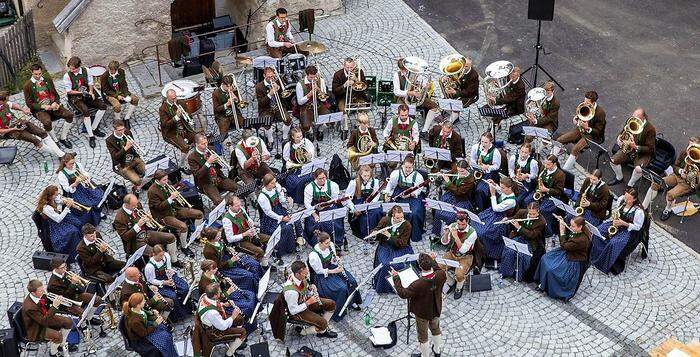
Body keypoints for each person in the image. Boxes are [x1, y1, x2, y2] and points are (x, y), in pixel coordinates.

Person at [390, 253, 446, 357]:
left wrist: (396, 277)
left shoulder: (417, 284)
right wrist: (433, 260)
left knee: (423, 336)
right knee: (436, 329)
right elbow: (437, 269)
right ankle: (437, 351)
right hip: (436, 308)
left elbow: (403, 293)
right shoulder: (442, 274)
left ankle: (425, 355)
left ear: (420, 266)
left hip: (422, 313)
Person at [270, 260, 338, 339]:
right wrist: (308, 302)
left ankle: (322, 328)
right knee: (323, 323)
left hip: (305, 301)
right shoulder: (291, 292)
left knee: (331, 304)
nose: (306, 275)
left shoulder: (300, 277)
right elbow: (293, 311)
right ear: (297, 274)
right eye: (305, 274)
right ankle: (303, 332)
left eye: (307, 272)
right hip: (298, 311)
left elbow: (305, 291)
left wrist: (311, 288)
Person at [147, 169, 203, 257]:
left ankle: (197, 236)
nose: (166, 181)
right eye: (164, 180)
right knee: (183, 227)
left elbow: (170, 191)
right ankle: (184, 247)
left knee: (199, 214)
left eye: (167, 179)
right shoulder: (152, 191)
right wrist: (170, 199)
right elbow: (158, 207)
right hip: (164, 215)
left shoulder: (167, 182)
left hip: (174, 208)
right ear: (157, 180)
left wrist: (176, 192)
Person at [642, 136, 700, 221]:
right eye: (689, 146)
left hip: (687, 184)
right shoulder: (684, 152)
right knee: (656, 182)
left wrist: (690, 176)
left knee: (670, 194)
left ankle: (668, 209)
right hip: (677, 176)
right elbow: (674, 166)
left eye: (694, 147)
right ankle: (644, 207)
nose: (690, 149)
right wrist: (680, 171)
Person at [308, 232, 362, 321]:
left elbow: (332, 260)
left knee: (351, 281)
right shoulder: (313, 256)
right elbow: (318, 271)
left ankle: (352, 301)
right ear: (320, 243)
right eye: (326, 243)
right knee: (342, 288)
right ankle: (340, 310)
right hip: (323, 275)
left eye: (329, 242)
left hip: (332, 268)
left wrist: (336, 259)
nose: (329, 244)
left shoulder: (331, 245)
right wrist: (335, 271)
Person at [535, 216, 591, 302]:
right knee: (544, 258)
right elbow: (569, 239)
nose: (570, 227)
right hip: (567, 251)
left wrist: (562, 231)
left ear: (580, 227)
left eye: (573, 226)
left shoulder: (581, 240)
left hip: (574, 259)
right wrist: (562, 221)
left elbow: (564, 245)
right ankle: (543, 282)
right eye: (570, 225)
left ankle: (550, 288)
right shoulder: (579, 230)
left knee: (551, 270)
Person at [592, 187, 645, 275]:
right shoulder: (621, 200)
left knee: (613, 243)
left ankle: (604, 264)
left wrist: (624, 223)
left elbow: (638, 227)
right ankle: (597, 254)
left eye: (629, 199)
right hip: (616, 223)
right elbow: (617, 212)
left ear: (634, 199)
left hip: (627, 230)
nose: (626, 200)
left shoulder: (638, 211)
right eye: (625, 197)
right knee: (599, 231)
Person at [113, 193, 178, 262]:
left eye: (136, 203)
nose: (136, 206)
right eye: (134, 205)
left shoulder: (137, 205)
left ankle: (173, 260)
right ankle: (161, 266)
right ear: (127, 205)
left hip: (146, 233)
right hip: (135, 241)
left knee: (171, 237)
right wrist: (138, 225)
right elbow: (125, 237)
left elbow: (142, 215)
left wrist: (148, 219)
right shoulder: (119, 218)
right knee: (157, 254)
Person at [23, 63, 74, 149]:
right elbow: (29, 104)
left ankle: (63, 138)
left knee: (70, 115)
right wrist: (42, 107)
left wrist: (56, 102)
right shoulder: (27, 85)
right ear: (31, 72)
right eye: (36, 74)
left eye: (40, 73)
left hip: (52, 106)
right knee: (47, 122)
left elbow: (56, 94)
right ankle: (55, 140)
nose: (38, 76)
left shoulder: (47, 80)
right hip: (40, 110)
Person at [0, 90, 65, 157]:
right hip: (8, 131)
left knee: (42, 133)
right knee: (35, 140)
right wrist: (14, 128)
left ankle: (61, 155)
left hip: (17, 123)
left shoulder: (5, 103)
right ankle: (62, 155)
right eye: (6, 100)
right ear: (1, 101)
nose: (7, 102)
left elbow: (12, 105)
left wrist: (23, 109)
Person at [199, 259, 256, 332]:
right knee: (246, 307)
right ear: (207, 271)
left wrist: (225, 281)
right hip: (220, 301)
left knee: (250, 295)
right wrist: (228, 293)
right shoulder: (205, 285)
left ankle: (252, 314)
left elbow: (219, 284)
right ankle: (247, 325)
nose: (216, 269)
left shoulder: (212, 274)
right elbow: (215, 298)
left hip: (222, 296)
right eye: (214, 268)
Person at [63, 56, 107, 148]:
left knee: (103, 106)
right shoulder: (67, 76)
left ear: (79, 66)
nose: (71, 70)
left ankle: (94, 128)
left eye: (73, 69)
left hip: (87, 92)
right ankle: (91, 136)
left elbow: (90, 82)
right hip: (75, 97)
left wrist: (91, 92)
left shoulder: (86, 70)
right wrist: (81, 93)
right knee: (86, 111)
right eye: (70, 68)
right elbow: (69, 91)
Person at [193, 284, 247, 357]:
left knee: (240, 319)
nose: (221, 293)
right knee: (243, 332)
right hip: (214, 332)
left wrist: (223, 304)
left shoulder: (204, 296)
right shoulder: (212, 313)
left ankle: (235, 342)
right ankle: (229, 354)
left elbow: (213, 304)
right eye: (219, 292)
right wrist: (233, 316)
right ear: (215, 295)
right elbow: (223, 327)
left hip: (216, 321)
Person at [22, 279, 73, 357]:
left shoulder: (39, 295)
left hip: (44, 317)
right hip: (37, 328)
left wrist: (56, 299)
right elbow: (44, 322)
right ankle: (53, 352)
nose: (43, 292)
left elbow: (46, 307)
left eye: (43, 289)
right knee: (58, 336)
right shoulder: (30, 307)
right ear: (33, 293)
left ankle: (61, 344)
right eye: (40, 291)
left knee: (68, 321)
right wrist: (54, 306)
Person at [557, 90, 606, 171]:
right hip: (580, 129)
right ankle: (552, 160)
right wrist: (576, 119)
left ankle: (565, 170)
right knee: (560, 140)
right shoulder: (584, 104)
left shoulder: (600, 113)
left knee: (575, 149)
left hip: (592, 136)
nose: (585, 103)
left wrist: (587, 128)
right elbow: (579, 115)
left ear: (593, 102)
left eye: (587, 102)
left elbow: (598, 131)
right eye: (584, 101)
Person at [201, 227, 261, 293]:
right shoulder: (208, 251)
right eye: (218, 236)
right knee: (248, 276)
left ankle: (258, 280)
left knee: (254, 264)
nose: (220, 236)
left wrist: (230, 250)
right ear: (212, 238)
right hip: (224, 268)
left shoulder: (218, 240)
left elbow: (224, 249)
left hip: (229, 258)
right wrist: (231, 261)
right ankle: (253, 290)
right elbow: (217, 266)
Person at [499, 202, 547, 282]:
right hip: (519, 237)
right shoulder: (522, 212)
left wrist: (519, 227)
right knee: (509, 250)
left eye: (534, 214)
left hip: (531, 241)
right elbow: (514, 218)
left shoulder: (541, 221)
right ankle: (506, 272)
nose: (531, 216)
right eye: (530, 213)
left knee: (522, 255)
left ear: (538, 211)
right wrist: (507, 220)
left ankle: (518, 275)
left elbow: (532, 235)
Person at [609, 108, 657, 187]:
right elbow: (623, 132)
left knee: (638, 169)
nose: (634, 119)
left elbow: (650, 149)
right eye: (633, 116)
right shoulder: (631, 121)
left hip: (643, 153)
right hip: (629, 148)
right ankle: (619, 177)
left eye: (637, 117)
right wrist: (619, 139)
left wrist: (635, 146)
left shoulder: (650, 129)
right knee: (612, 161)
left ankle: (630, 184)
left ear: (643, 118)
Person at [440, 213, 483, 299]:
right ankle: (450, 281)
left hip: (465, 256)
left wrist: (456, 237)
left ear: (467, 222)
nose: (460, 226)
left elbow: (463, 250)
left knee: (459, 274)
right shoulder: (453, 226)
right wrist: (446, 233)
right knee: (439, 267)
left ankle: (459, 287)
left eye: (463, 224)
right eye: (459, 224)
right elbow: (444, 242)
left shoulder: (472, 233)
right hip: (452, 253)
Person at [474, 178, 518, 263]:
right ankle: (477, 248)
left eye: (503, 188)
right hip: (493, 214)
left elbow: (496, 208)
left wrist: (493, 194)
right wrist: (494, 184)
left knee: (484, 233)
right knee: (476, 223)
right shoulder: (505, 191)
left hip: (500, 218)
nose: (501, 189)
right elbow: (500, 190)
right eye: (501, 187)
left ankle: (487, 253)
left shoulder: (511, 201)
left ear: (509, 188)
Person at [392, 58, 439, 137]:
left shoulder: (414, 72)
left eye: (406, 69)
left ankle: (424, 131)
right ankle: (404, 131)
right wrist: (410, 93)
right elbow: (396, 92)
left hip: (416, 98)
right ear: (400, 69)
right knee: (401, 112)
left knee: (434, 106)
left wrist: (426, 86)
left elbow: (423, 82)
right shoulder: (396, 75)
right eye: (403, 70)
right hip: (404, 99)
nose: (405, 72)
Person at [372, 205, 414, 294]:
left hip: (400, 248)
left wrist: (390, 236)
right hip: (385, 246)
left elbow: (402, 243)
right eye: (398, 218)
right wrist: (375, 233)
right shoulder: (385, 220)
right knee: (385, 265)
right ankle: (384, 287)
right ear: (392, 216)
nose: (401, 220)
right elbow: (377, 229)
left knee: (400, 265)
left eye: (402, 217)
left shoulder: (407, 225)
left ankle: (400, 285)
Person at [144, 245, 192, 322]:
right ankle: (178, 315)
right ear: (154, 254)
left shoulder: (166, 256)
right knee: (173, 296)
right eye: (160, 256)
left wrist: (170, 273)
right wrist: (164, 282)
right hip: (158, 282)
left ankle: (187, 307)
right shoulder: (149, 267)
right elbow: (151, 280)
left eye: (163, 254)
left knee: (184, 287)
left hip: (167, 276)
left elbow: (169, 267)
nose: (162, 257)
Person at [384, 155, 426, 242]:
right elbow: (390, 184)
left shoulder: (418, 176)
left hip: (413, 196)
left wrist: (410, 194)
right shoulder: (396, 173)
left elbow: (419, 190)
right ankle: (394, 231)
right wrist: (387, 194)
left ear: (413, 166)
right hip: (399, 192)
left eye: (410, 167)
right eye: (406, 167)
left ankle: (414, 234)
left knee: (415, 213)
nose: (407, 169)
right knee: (392, 209)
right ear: (403, 165)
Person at [36, 185, 83, 263]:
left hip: (59, 216)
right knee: (73, 231)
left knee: (78, 223)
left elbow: (58, 206)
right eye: (56, 195)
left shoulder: (53, 198)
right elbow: (58, 219)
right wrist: (67, 207)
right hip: (53, 225)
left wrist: (63, 202)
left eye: (57, 194)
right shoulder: (46, 208)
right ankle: (74, 254)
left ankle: (80, 245)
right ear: (50, 196)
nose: (57, 196)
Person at [257, 174, 300, 257]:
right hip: (271, 218)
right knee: (286, 228)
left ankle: (296, 243)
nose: (275, 184)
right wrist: (282, 218)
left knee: (295, 219)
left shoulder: (276, 186)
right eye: (272, 183)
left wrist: (287, 200)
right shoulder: (262, 197)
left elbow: (281, 200)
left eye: (275, 182)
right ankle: (281, 251)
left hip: (279, 210)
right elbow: (268, 212)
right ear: (266, 184)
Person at [122, 292, 178, 357]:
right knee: (165, 339)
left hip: (145, 327)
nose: (145, 301)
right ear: (138, 305)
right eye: (143, 301)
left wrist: (151, 312)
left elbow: (143, 313)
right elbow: (144, 333)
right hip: (141, 338)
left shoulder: (137, 309)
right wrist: (156, 323)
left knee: (165, 330)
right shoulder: (135, 321)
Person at [188, 134, 238, 205]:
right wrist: (208, 163)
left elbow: (219, 166)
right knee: (219, 202)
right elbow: (197, 175)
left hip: (218, 177)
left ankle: (233, 202)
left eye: (206, 143)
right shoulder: (192, 157)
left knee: (238, 188)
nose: (206, 145)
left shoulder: (211, 148)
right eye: (203, 144)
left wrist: (218, 162)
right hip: (207, 182)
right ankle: (230, 204)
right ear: (197, 144)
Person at [55, 152, 104, 226]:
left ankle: (98, 211)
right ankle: (94, 217)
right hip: (74, 192)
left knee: (98, 195)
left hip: (84, 185)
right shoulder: (62, 174)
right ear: (65, 163)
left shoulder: (77, 165)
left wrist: (85, 176)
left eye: (73, 163)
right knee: (87, 203)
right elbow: (66, 189)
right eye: (70, 164)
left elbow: (85, 173)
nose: (72, 165)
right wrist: (76, 183)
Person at [223, 194, 274, 263]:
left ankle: (265, 257)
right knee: (259, 251)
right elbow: (230, 239)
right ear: (230, 206)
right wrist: (244, 234)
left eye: (239, 205)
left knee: (271, 239)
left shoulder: (241, 208)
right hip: (240, 242)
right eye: (236, 206)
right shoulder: (226, 220)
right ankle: (259, 263)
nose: (239, 207)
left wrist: (251, 224)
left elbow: (248, 219)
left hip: (249, 234)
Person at [431, 160, 475, 237]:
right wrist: (442, 174)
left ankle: (451, 235)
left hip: (462, 199)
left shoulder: (470, 180)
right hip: (451, 195)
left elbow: (458, 192)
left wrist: (448, 182)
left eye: (462, 171)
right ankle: (439, 233)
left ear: (467, 169)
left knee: (451, 216)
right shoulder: (456, 169)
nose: (460, 173)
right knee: (438, 211)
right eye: (458, 171)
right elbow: (451, 172)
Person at [303, 168, 347, 246]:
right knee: (316, 223)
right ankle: (318, 243)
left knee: (333, 222)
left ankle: (336, 242)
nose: (322, 180)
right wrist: (315, 214)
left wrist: (327, 204)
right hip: (315, 209)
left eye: (324, 178)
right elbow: (307, 204)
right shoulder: (309, 187)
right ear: (315, 178)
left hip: (329, 207)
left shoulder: (333, 185)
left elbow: (334, 199)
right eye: (320, 178)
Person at [524, 155, 566, 230]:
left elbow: (559, 191)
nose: (546, 166)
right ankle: (531, 220)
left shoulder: (560, 175)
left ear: (554, 164)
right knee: (527, 200)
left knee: (543, 210)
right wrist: (538, 190)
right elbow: (539, 181)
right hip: (540, 193)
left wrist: (547, 190)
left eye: (548, 164)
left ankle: (546, 228)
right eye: (545, 163)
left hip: (551, 196)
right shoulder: (544, 168)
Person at [437, 55, 479, 126]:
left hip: (469, 96)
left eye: (466, 66)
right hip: (459, 90)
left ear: (470, 65)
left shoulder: (474, 75)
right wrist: (446, 77)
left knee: (455, 107)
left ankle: (447, 124)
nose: (464, 68)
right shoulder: (460, 68)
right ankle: (453, 116)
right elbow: (452, 75)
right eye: (463, 66)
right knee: (443, 102)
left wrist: (455, 92)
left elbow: (470, 92)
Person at [160, 88, 196, 166]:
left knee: (197, 138)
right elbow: (165, 125)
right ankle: (182, 165)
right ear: (167, 98)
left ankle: (197, 157)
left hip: (184, 128)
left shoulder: (181, 102)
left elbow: (190, 115)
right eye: (173, 98)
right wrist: (176, 117)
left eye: (175, 97)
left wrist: (185, 114)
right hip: (171, 132)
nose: (175, 99)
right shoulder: (163, 109)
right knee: (185, 147)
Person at [346, 165, 383, 240]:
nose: (366, 177)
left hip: (371, 202)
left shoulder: (374, 181)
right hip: (358, 202)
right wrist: (354, 209)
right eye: (364, 176)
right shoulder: (354, 183)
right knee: (364, 218)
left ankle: (376, 233)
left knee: (378, 212)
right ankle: (367, 235)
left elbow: (377, 194)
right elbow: (348, 198)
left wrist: (372, 202)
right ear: (360, 174)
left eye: (368, 175)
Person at [106, 120, 146, 187]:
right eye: (119, 130)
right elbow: (115, 157)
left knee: (143, 170)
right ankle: (136, 187)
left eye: (123, 129)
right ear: (114, 130)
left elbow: (133, 146)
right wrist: (125, 148)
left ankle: (141, 178)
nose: (122, 132)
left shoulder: (127, 132)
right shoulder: (109, 140)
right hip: (123, 164)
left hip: (133, 158)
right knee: (137, 181)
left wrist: (136, 147)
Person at [331, 57, 368, 129]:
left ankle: (360, 125)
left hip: (357, 95)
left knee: (362, 107)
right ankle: (345, 127)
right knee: (343, 109)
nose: (349, 69)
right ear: (344, 66)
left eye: (351, 67)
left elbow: (365, 86)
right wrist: (344, 85)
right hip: (343, 97)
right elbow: (334, 91)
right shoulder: (337, 74)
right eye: (347, 67)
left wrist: (356, 80)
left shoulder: (359, 72)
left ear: (354, 65)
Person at [255, 66, 291, 140]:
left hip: (278, 107)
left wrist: (279, 89)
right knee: (266, 123)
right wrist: (270, 94)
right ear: (264, 76)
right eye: (268, 77)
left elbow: (284, 96)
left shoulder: (278, 82)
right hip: (266, 109)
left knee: (288, 119)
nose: (271, 78)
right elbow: (261, 103)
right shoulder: (259, 87)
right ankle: (270, 140)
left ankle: (284, 136)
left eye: (272, 76)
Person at [283, 126, 316, 204]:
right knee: (298, 181)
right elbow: (285, 157)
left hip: (306, 165)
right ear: (292, 137)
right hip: (295, 168)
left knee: (315, 175)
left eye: (301, 136)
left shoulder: (306, 142)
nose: (300, 138)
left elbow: (312, 152)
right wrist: (292, 162)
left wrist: (309, 155)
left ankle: (312, 196)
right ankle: (299, 198)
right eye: (297, 137)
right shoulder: (288, 145)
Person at [470, 131, 502, 211]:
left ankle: (480, 208)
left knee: (480, 190)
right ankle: (470, 204)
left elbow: (497, 166)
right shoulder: (475, 147)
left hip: (488, 174)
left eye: (486, 142)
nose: (483, 144)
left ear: (490, 142)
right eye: (482, 141)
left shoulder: (495, 152)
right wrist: (478, 166)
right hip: (476, 170)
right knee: (468, 184)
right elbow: (472, 159)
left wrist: (488, 167)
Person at [100, 60, 139, 126]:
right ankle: (117, 120)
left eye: (112, 70)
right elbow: (105, 90)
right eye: (110, 70)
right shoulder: (104, 76)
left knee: (135, 99)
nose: (111, 72)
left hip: (121, 92)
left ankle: (126, 118)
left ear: (117, 69)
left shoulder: (121, 72)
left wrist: (126, 94)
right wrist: (117, 95)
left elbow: (124, 84)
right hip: (111, 94)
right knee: (117, 106)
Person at [296, 65, 330, 137]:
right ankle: (310, 131)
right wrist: (309, 94)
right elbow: (300, 102)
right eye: (311, 77)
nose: (313, 79)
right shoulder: (300, 84)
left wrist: (318, 90)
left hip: (318, 104)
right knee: (305, 126)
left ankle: (320, 129)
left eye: (315, 76)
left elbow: (324, 98)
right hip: (306, 107)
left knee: (330, 121)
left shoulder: (321, 81)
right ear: (306, 75)